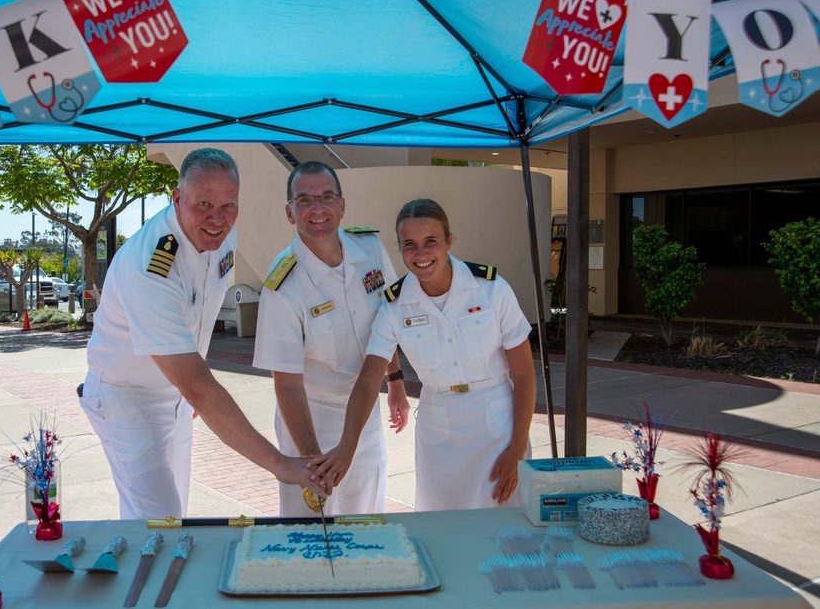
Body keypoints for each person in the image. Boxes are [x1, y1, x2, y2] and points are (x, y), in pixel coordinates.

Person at [79, 147, 325, 520]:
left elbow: (199, 312)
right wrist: (279, 464)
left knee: (175, 513)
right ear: (177, 199)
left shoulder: (224, 236)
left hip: (175, 392)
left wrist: (189, 393)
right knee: (156, 521)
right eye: (203, 204)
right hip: (125, 396)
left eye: (229, 205)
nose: (217, 218)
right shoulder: (150, 269)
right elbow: (199, 386)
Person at [310, 198, 536, 510]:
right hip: (439, 432)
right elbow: (366, 382)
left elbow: (524, 375)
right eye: (409, 245)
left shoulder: (491, 290)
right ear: (400, 249)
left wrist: (518, 447)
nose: (421, 254)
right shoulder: (394, 305)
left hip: (497, 429)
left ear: (449, 241)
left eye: (431, 242)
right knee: (442, 527)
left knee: (505, 530)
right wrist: (347, 446)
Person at [253, 161, 409, 517]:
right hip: (311, 417)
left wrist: (395, 383)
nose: (317, 208)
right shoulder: (283, 285)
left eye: (326, 197)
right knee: (311, 528)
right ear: (290, 213)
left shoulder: (369, 249)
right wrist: (311, 463)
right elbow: (288, 386)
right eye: (304, 200)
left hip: (363, 412)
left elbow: (385, 323)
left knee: (366, 516)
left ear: (342, 205)